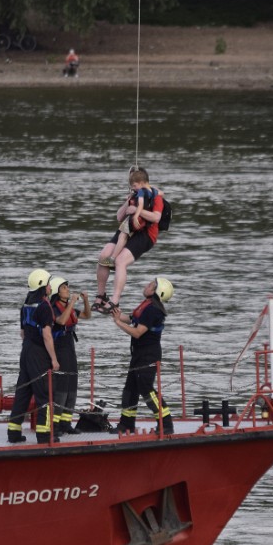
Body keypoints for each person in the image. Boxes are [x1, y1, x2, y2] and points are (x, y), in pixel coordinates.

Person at [92, 167, 166, 315]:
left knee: (120, 261)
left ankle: (115, 300)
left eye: (134, 182)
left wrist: (137, 211)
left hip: (145, 234)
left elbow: (156, 217)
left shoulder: (155, 196)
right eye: (130, 182)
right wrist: (128, 203)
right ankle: (101, 295)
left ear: (141, 181)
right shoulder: (133, 196)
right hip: (127, 229)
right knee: (103, 255)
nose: (131, 185)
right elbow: (119, 217)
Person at [111, 277, 175, 435]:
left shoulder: (153, 310)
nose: (147, 286)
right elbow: (133, 319)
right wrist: (116, 313)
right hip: (139, 353)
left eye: (151, 285)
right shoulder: (147, 306)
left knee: (146, 389)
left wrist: (118, 323)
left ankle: (166, 423)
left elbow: (138, 332)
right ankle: (126, 424)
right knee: (130, 389)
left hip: (148, 354)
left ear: (156, 292)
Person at [6, 269, 60, 444]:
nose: (51, 286)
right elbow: (47, 335)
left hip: (26, 350)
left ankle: (13, 433)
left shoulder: (26, 305)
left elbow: (22, 332)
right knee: (45, 394)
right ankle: (44, 435)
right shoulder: (45, 307)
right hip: (38, 352)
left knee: (23, 391)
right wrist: (53, 359)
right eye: (49, 283)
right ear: (43, 287)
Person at [48, 276, 91, 435]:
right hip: (59, 348)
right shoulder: (53, 307)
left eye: (67, 287)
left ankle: (66, 423)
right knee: (62, 387)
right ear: (56, 292)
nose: (67, 289)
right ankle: (56, 425)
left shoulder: (69, 306)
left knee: (72, 385)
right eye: (64, 287)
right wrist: (72, 302)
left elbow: (87, 315)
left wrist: (86, 300)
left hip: (70, 346)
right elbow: (61, 322)